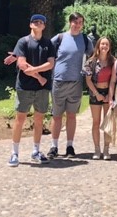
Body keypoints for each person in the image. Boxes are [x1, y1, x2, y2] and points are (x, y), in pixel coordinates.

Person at [6, 14, 55, 167]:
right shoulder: (23, 42)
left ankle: (36, 150)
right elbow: (21, 64)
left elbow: (51, 63)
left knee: (39, 120)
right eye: (35, 22)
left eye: (41, 22)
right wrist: (39, 76)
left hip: (42, 89)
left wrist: (34, 70)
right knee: (20, 119)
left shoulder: (48, 43)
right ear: (30, 25)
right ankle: (14, 152)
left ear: (44, 26)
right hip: (25, 87)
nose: (38, 24)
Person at [48, 12, 94, 159]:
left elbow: (94, 56)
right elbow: (46, 51)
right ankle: (54, 146)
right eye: (75, 21)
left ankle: (69, 145)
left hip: (76, 82)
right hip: (59, 80)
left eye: (80, 22)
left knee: (72, 115)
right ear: (70, 22)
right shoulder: (60, 38)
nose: (78, 24)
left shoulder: (85, 40)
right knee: (56, 116)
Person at [82, 36, 115, 160]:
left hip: (109, 93)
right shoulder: (91, 61)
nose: (104, 47)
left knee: (107, 122)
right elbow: (88, 81)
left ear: (109, 47)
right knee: (96, 122)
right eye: (102, 44)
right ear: (98, 46)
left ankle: (106, 149)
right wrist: (97, 94)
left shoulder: (113, 61)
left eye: (106, 44)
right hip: (95, 92)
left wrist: (109, 95)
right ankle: (97, 149)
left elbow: (115, 79)